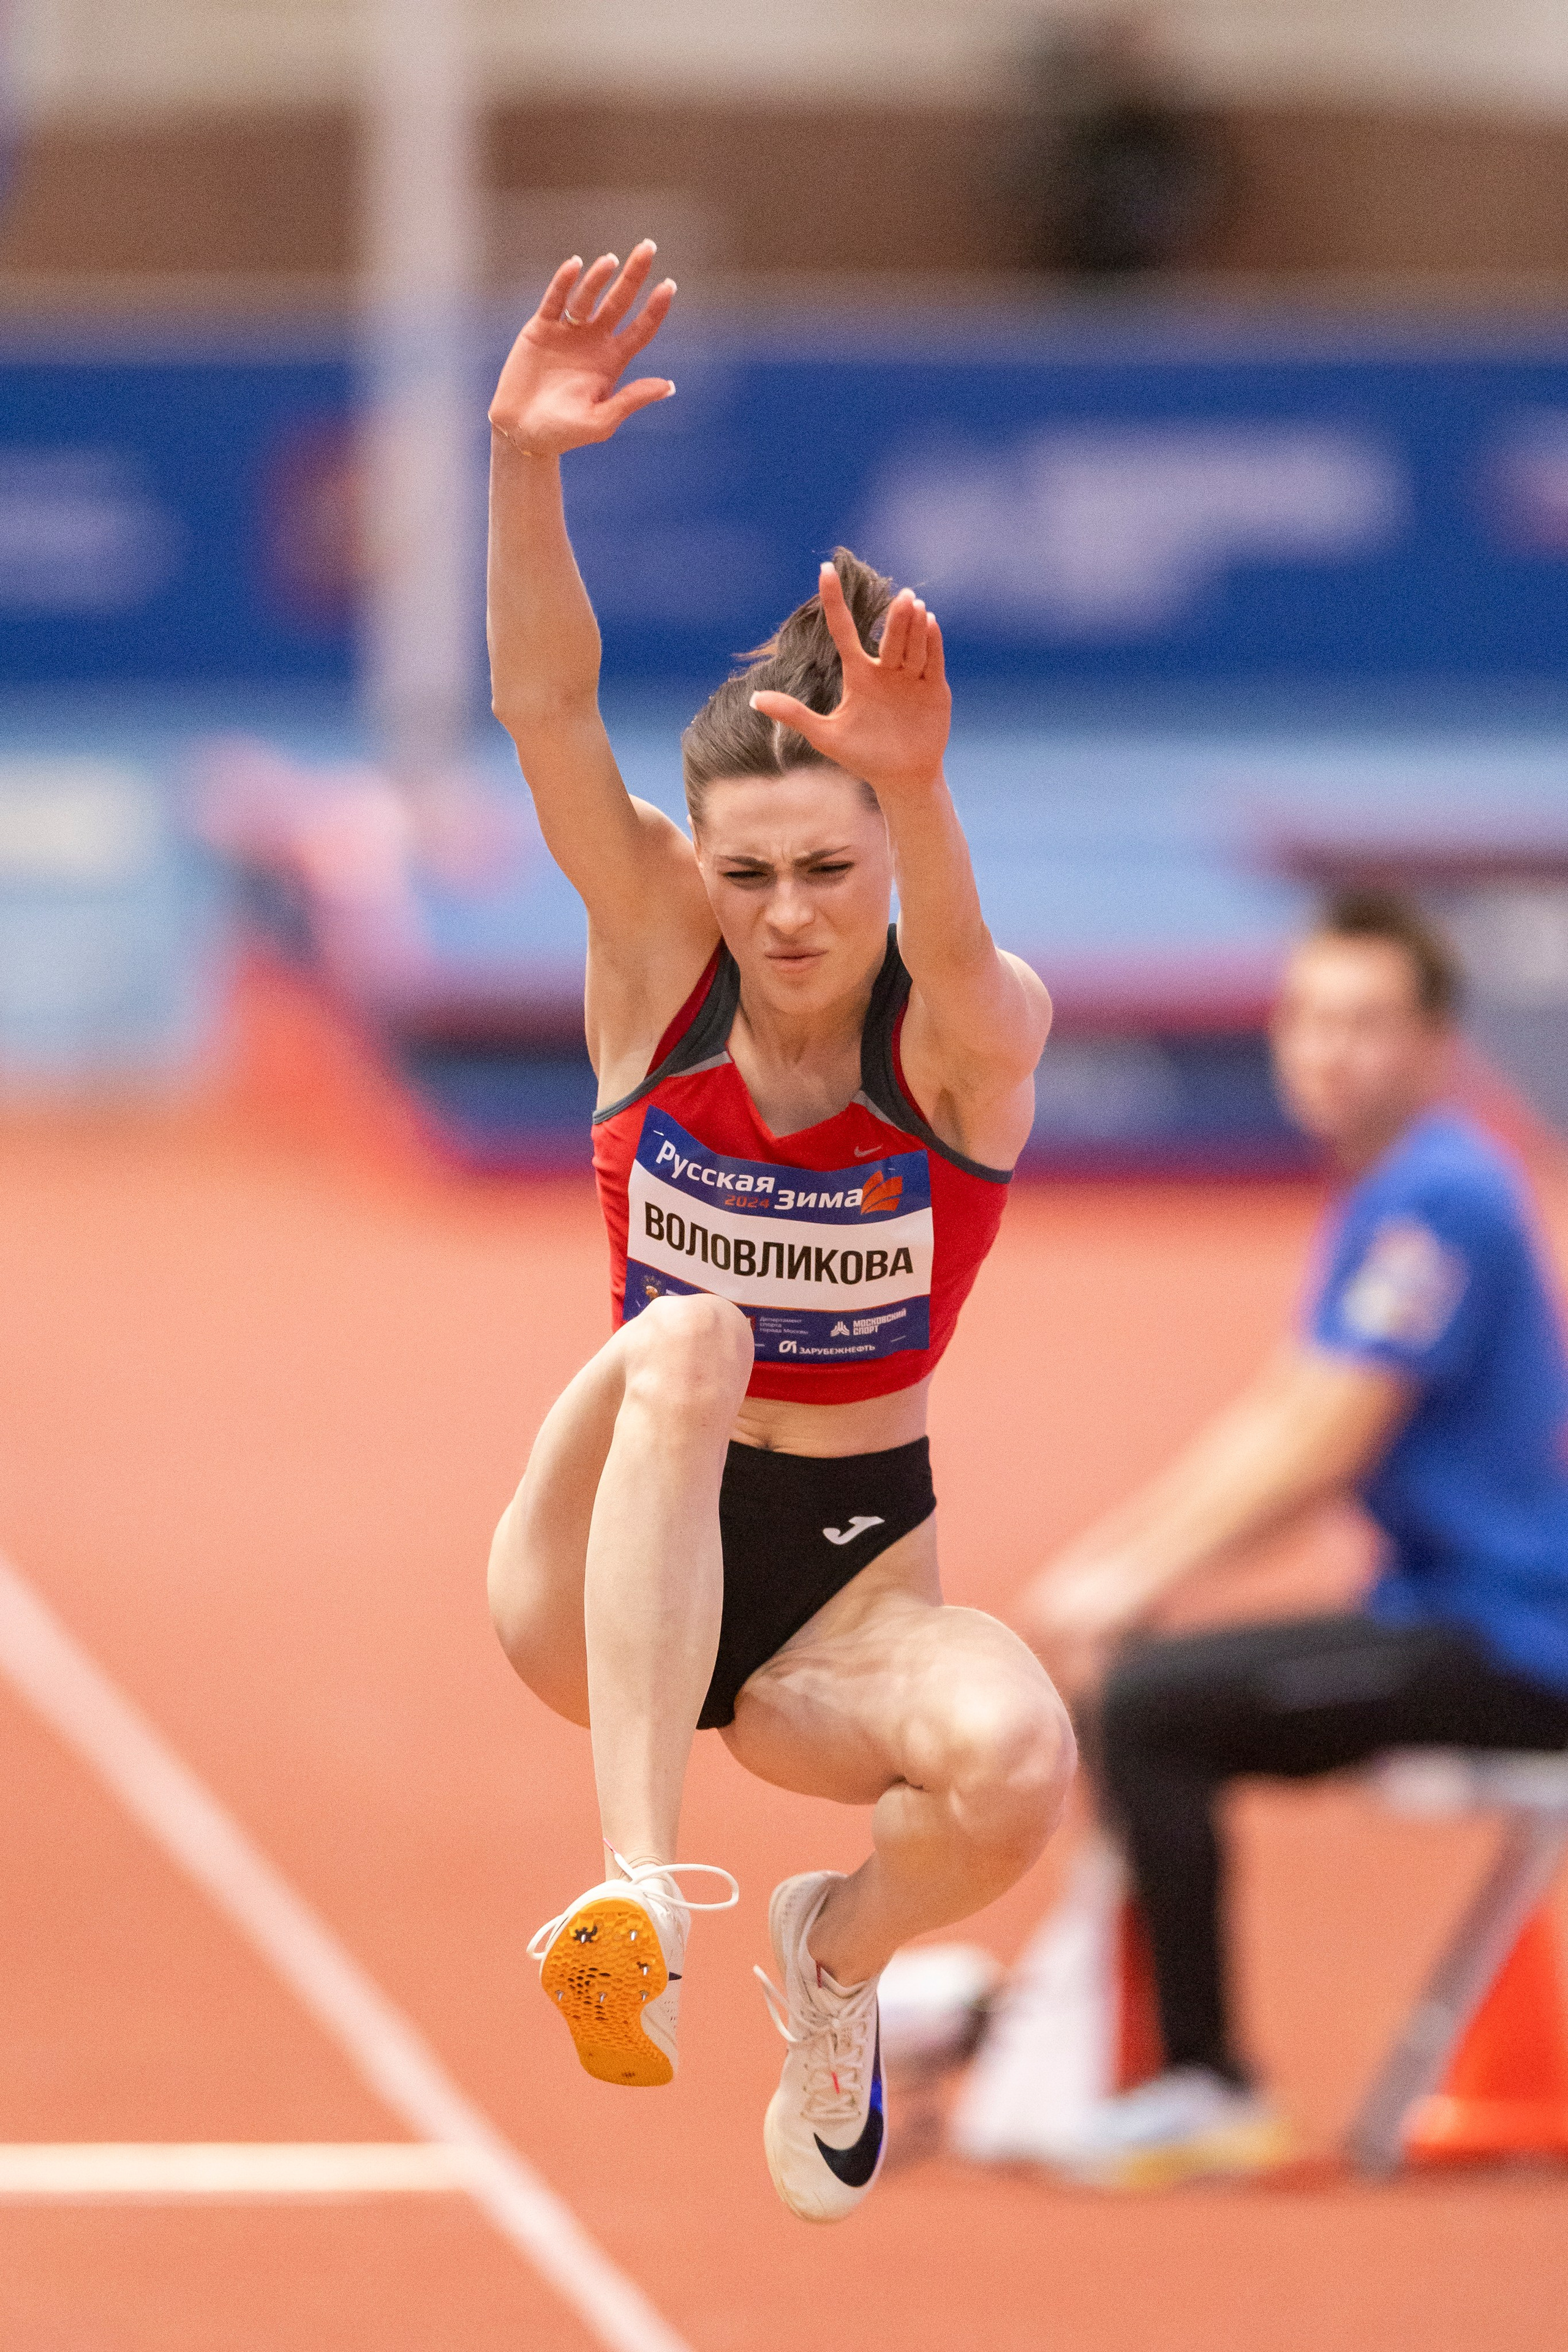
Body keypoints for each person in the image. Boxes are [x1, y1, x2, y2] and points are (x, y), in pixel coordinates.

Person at [484, 242, 1072, 2223]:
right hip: (596, 1568)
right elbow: (546, 704)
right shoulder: (656, 960)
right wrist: (521, 466)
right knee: (691, 1339)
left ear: (885, 861)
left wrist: (921, 791)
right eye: (751, 875)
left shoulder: (965, 1043)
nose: (790, 914)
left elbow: (975, 965)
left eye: (832, 867)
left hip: (840, 1599)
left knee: (1019, 1764)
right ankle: (635, 1884)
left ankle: (832, 1958)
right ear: (701, 872)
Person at [1022, 891, 1568, 2189]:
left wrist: (1125, 1586)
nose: (1330, 1051)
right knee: (1142, 1678)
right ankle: (1146, 2058)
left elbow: (1322, 1446)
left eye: (1367, 1023)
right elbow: (1273, 1415)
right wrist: (1107, 1562)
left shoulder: (1439, 1199)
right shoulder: (1388, 1193)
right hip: (1446, 1617)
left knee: (1152, 1706)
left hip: (1512, 1642)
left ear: (1435, 1042)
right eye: (1310, 1021)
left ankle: (1203, 2086)